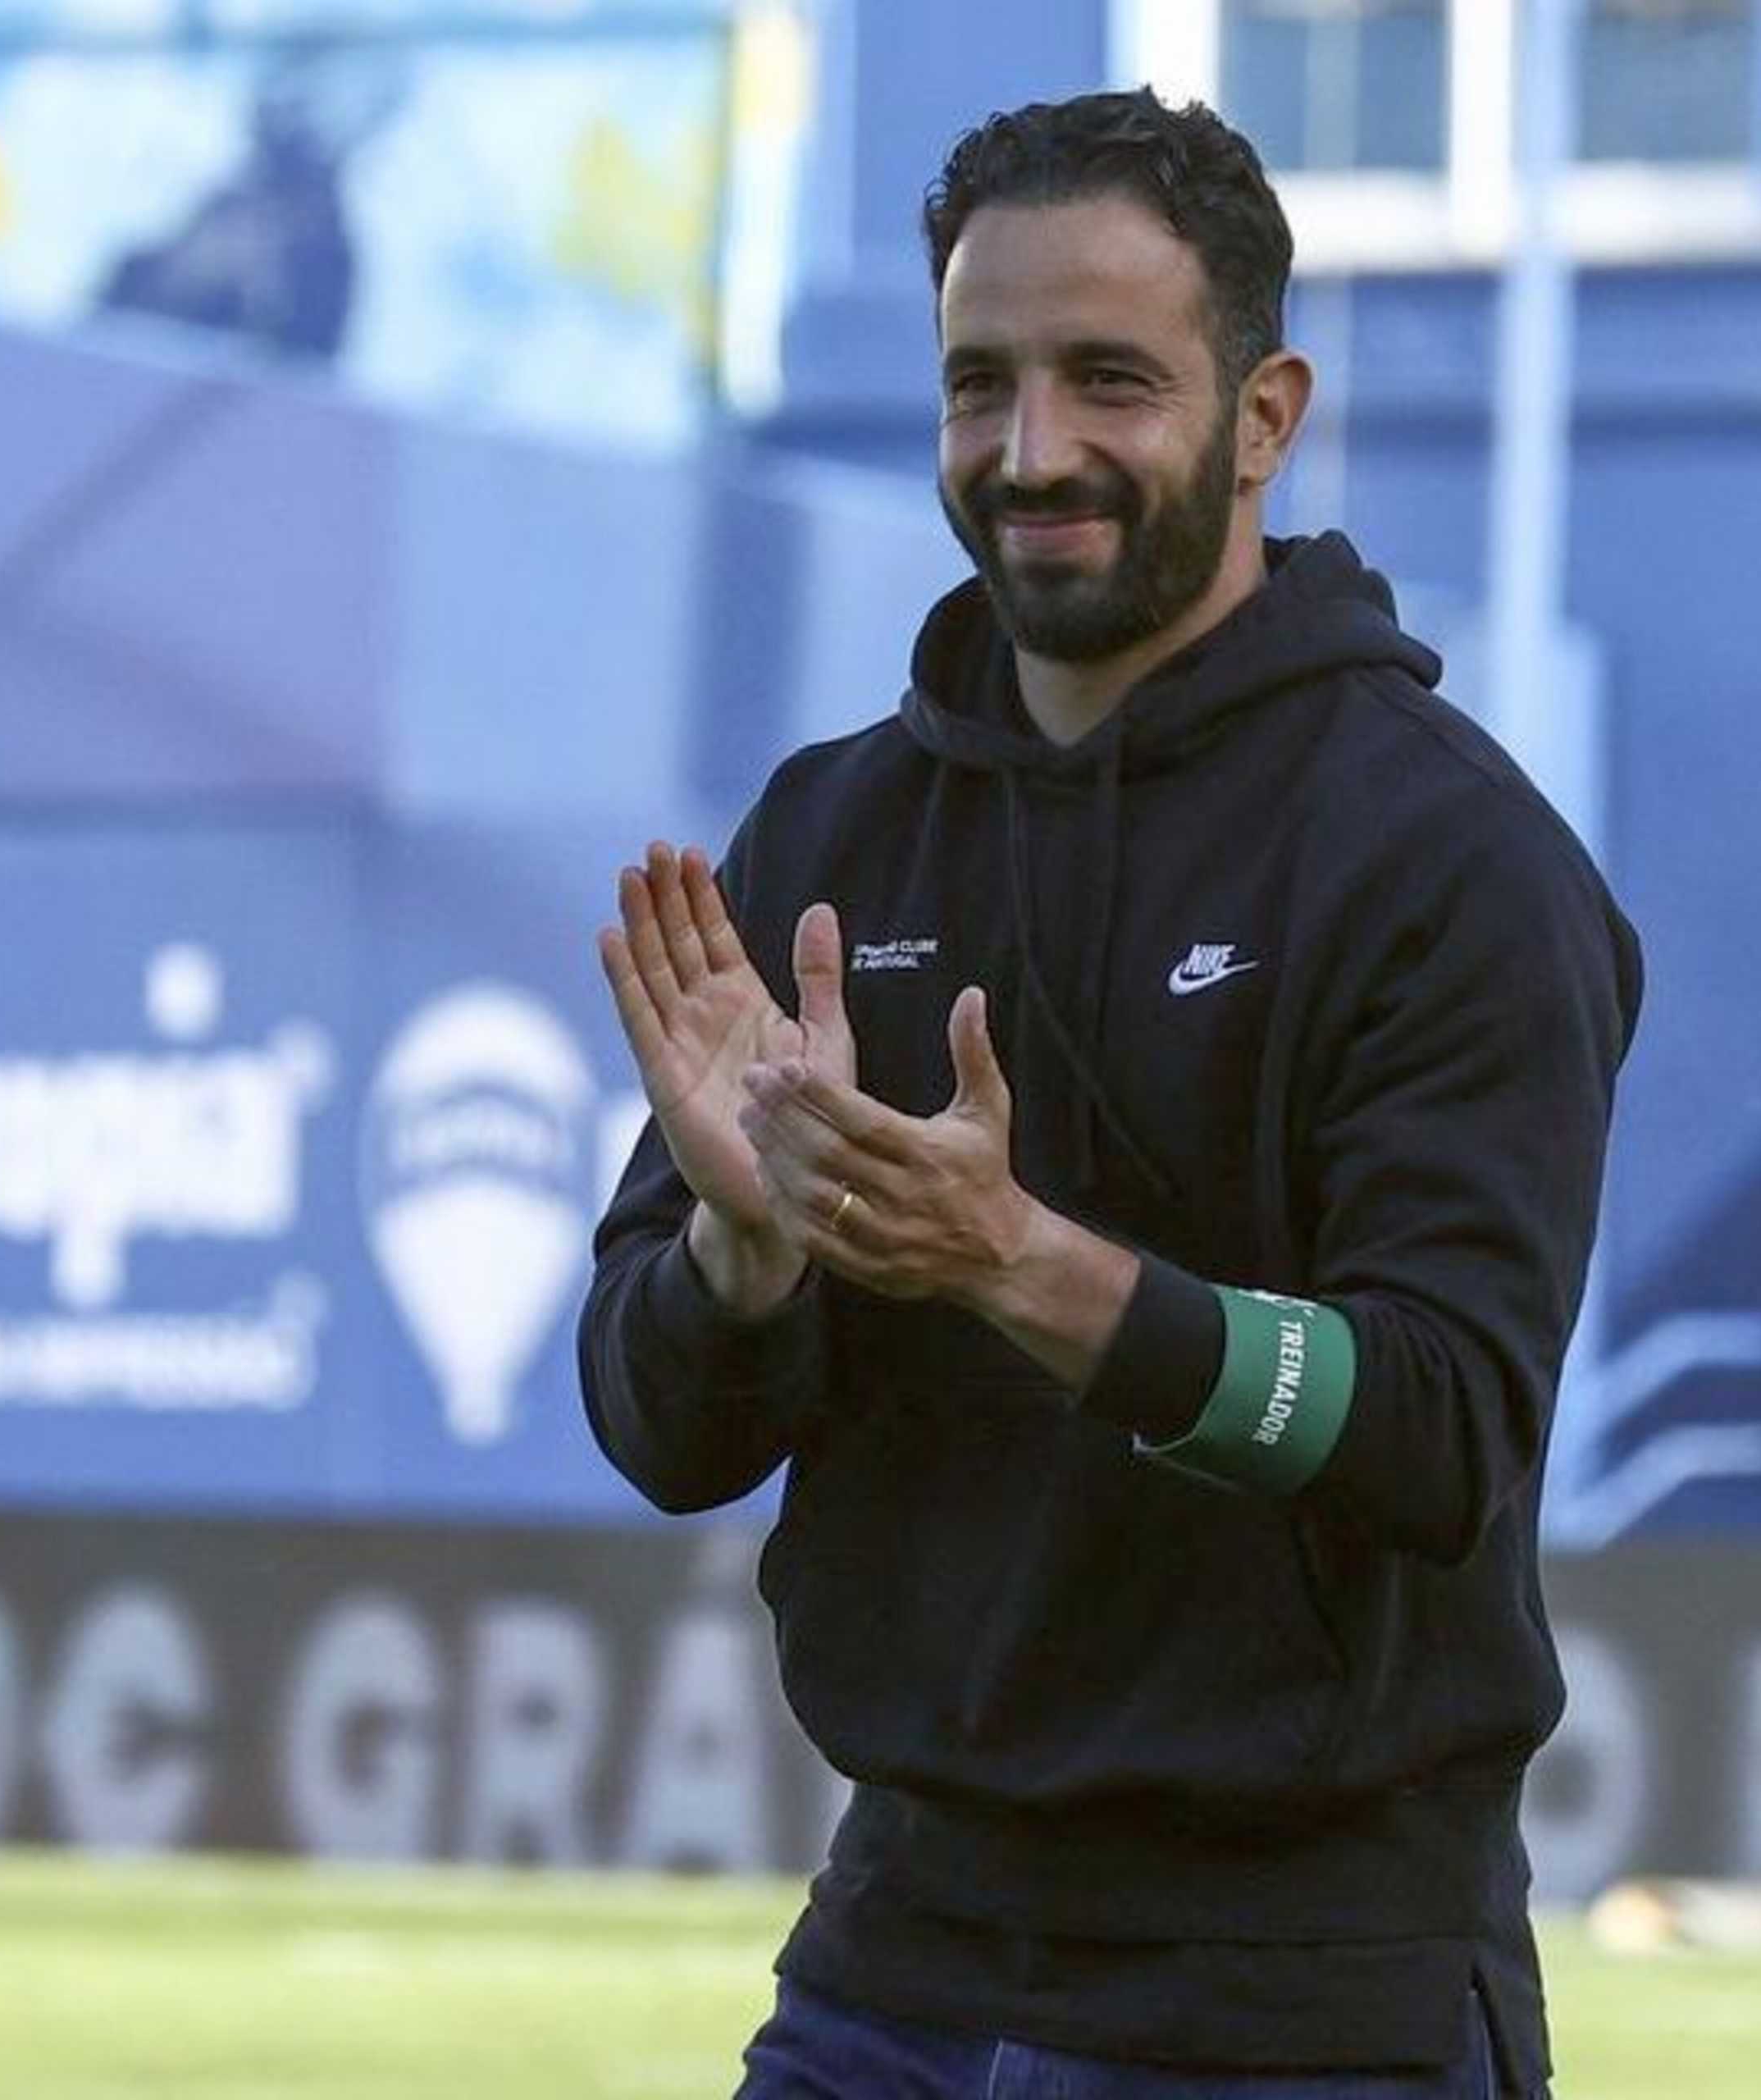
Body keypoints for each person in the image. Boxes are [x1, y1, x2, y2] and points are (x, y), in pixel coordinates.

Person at [580, 87, 1640, 2100]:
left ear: (1262, 416)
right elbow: (661, 1431)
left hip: (1300, 2004)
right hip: (889, 1964)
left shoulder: (1446, 859)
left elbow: (1435, 1427)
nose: (1030, 449)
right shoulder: (833, 830)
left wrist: (1015, 1261)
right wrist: (737, 1257)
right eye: (977, 382)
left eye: (1107, 381)